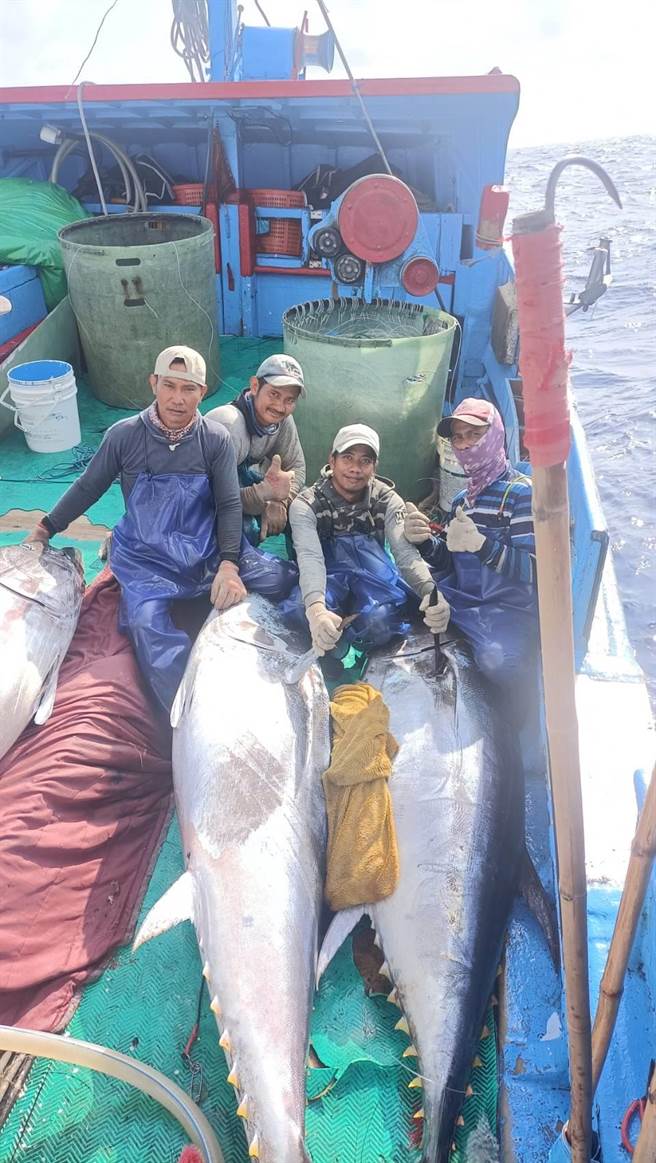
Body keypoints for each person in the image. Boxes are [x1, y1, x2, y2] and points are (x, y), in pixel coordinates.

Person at [26, 346, 294, 713]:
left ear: (202, 393)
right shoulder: (123, 436)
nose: (178, 400)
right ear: (154, 384)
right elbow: (88, 487)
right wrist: (45, 528)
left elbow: (229, 505)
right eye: (169, 386)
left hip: (207, 549)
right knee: (147, 627)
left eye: (189, 389)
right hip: (145, 559)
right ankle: (192, 711)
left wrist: (230, 564)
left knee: (282, 578)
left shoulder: (215, 439)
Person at [281, 422, 448, 665]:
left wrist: (430, 592)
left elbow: (404, 554)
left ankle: (354, 646)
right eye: (347, 458)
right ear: (332, 459)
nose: (355, 469)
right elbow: (310, 559)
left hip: (373, 575)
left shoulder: (388, 500)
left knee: (380, 622)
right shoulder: (306, 505)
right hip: (326, 574)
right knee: (300, 610)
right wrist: (316, 610)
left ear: (374, 465)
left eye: (365, 461)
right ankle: (331, 645)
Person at [405, 397, 538, 691]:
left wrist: (481, 545)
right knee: (394, 589)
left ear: (495, 436)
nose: (464, 446)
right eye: (459, 438)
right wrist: (426, 542)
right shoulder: (460, 500)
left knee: (501, 664)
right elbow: (450, 562)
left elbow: (536, 571)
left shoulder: (521, 494)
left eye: (475, 435)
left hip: (506, 609)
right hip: (464, 598)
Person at [207, 354, 306, 545]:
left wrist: (280, 502)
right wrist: (262, 496)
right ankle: (231, 570)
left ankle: (306, 571)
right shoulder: (228, 426)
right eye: (274, 394)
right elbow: (210, 496)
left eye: (289, 400)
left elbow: (298, 466)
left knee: (305, 507)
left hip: (243, 485)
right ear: (255, 386)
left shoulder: (282, 420)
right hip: (209, 500)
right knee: (245, 529)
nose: (280, 406)